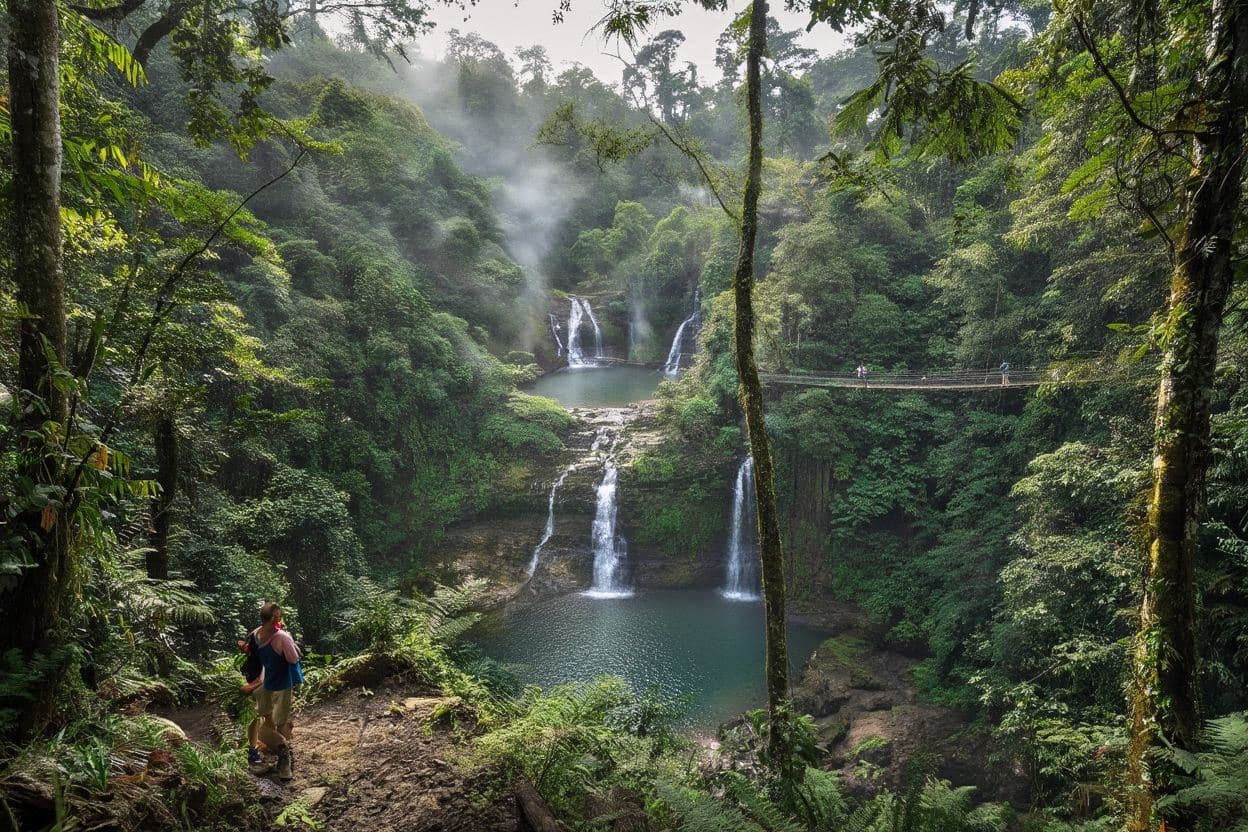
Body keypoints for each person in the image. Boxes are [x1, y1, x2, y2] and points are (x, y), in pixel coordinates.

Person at [254, 602, 303, 781]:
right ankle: (285, 757)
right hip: (281, 683)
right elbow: (293, 658)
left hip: (261, 681)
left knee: (267, 717)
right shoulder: (282, 637)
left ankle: (275, 750)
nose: (279, 619)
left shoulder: (255, 634)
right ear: (274, 618)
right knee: (281, 720)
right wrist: (291, 640)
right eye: (277, 616)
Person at [237, 628, 267, 773]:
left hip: (266, 686)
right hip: (255, 683)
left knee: (258, 716)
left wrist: (250, 686)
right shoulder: (253, 647)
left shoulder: (266, 650)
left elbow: (264, 673)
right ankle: (253, 746)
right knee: (255, 717)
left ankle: (254, 750)